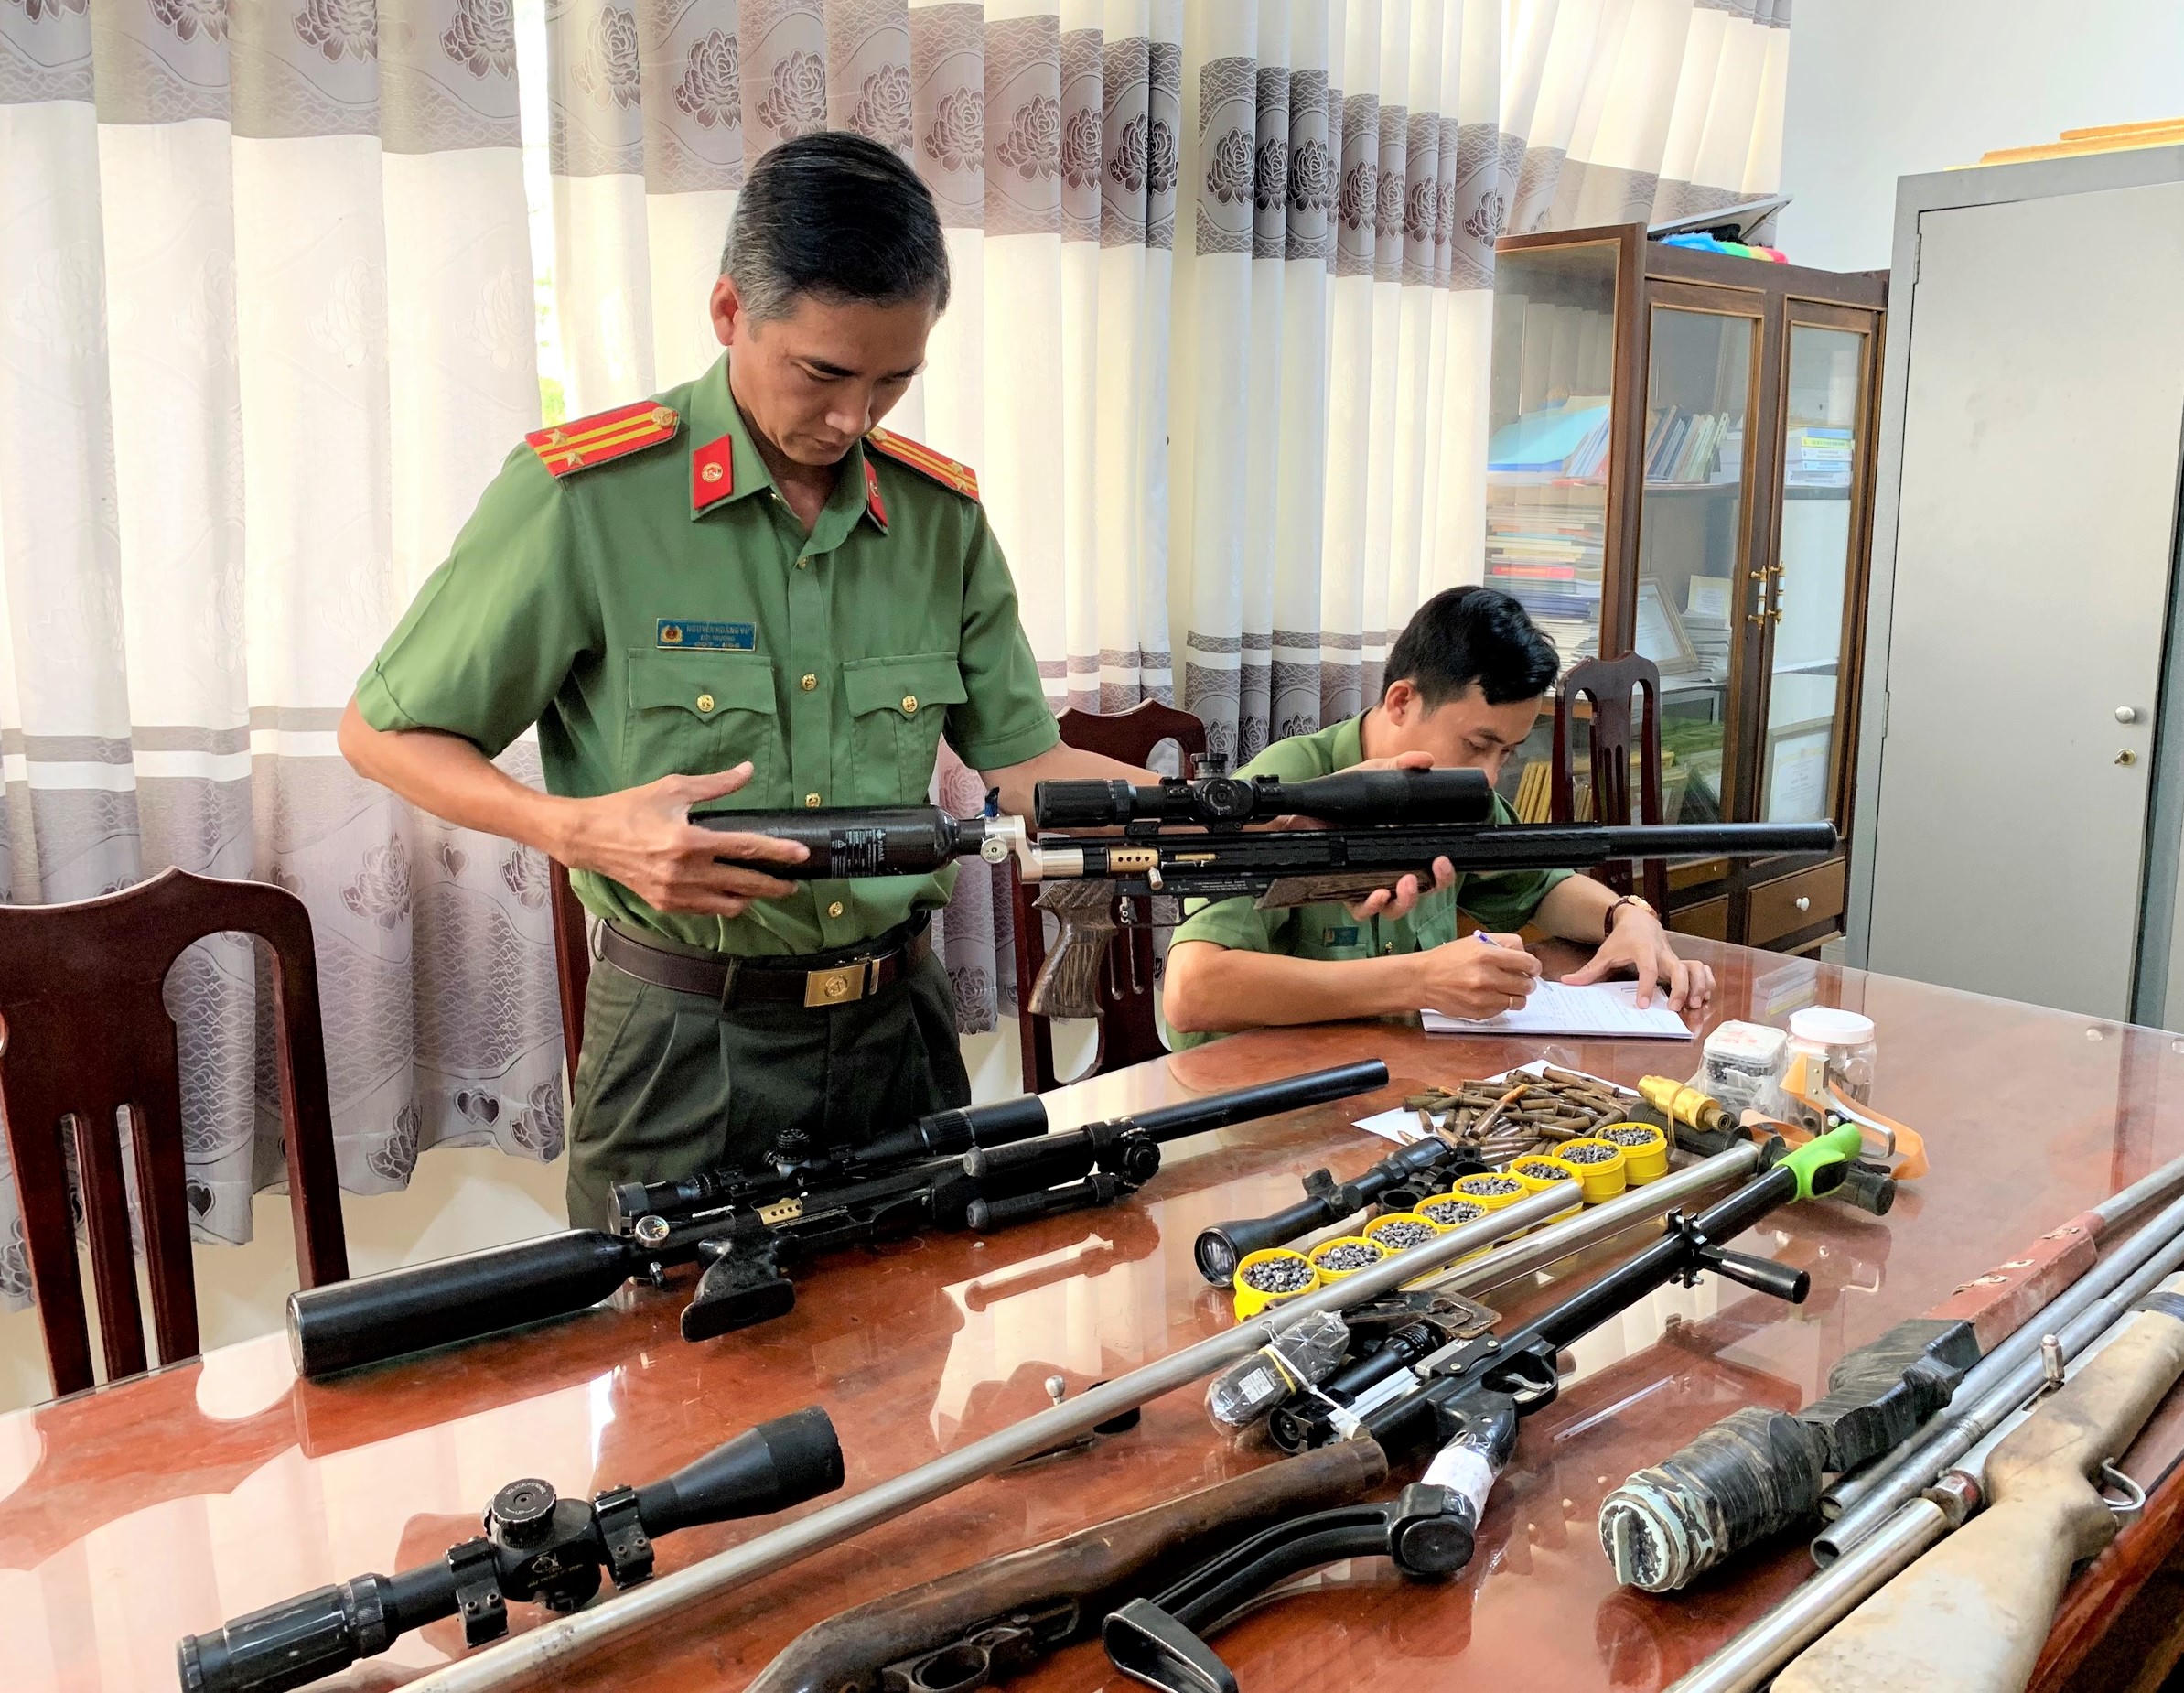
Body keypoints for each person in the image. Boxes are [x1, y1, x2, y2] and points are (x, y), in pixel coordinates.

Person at [339, 133, 1151, 1228]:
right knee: (666, 1335)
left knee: (920, 1326)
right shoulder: (588, 500)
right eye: (823, 373)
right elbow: (383, 732)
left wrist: (1251, 822)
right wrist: (576, 830)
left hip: (898, 1037)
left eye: (893, 380)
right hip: (681, 1042)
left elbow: (1023, 763)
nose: (855, 418)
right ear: (729, 310)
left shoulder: (937, 517)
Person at [1161, 587, 1715, 1048]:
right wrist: (1420, 981)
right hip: (1261, 1098)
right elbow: (1194, 991)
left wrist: (1625, 916)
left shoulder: (1459, 795)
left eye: (1506, 754)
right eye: (1478, 745)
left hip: (1399, 1083)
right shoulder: (1289, 788)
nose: (1489, 778)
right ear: (1402, 701)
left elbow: (1540, 884)